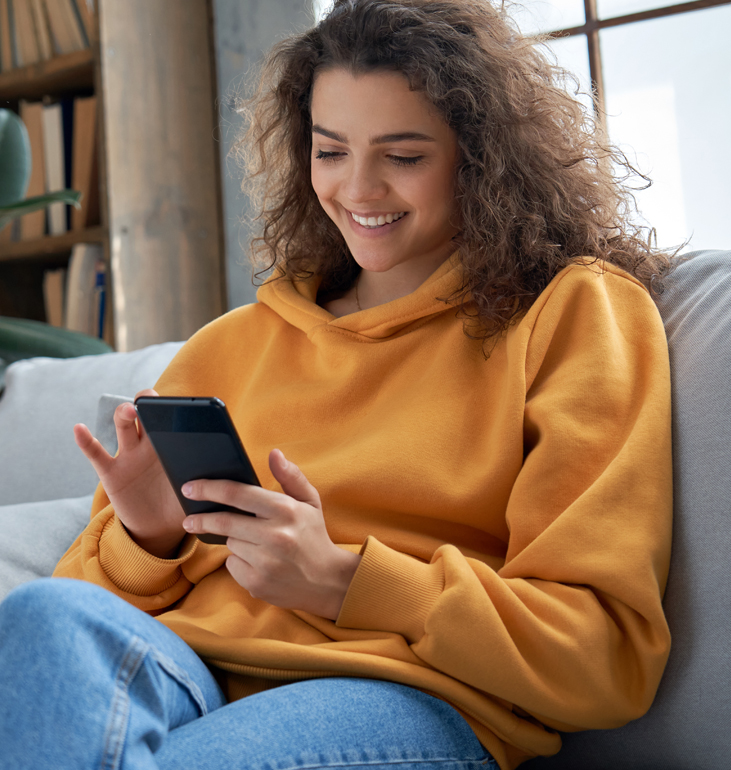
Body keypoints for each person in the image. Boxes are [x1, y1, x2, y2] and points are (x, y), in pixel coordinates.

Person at [0, 1, 675, 768]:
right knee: (44, 619)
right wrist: (148, 539)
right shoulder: (231, 344)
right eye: (330, 151)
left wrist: (342, 579)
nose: (359, 189)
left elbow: (604, 659)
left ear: (482, 157)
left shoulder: (572, 313)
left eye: (404, 156)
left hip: (400, 690)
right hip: (186, 666)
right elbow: (94, 606)